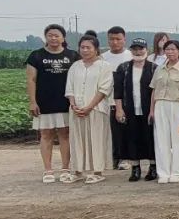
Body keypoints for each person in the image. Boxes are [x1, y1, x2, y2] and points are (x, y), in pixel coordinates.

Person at [27, 24, 81, 183]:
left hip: (66, 101)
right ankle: (48, 170)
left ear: (63, 38)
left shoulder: (72, 55)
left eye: (57, 35)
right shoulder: (36, 56)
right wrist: (32, 102)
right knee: (46, 134)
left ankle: (65, 168)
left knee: (65, 134)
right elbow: (31, 79)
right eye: (50, 35)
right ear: (46, 37)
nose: (53, 38)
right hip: (44, 101)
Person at [63, 34, 114, 184]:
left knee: (96, 139)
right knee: (77, 140)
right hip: (76, 110)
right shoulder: (75, 66)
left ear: (96, 49)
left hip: (96, 109)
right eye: (82, 47)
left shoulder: (104, 66)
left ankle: (97, 171)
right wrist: (73, 105)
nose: (85, 50)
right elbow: (69, 88)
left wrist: (89, 107)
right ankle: (77, 171)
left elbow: (104, 89)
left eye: (88, 47)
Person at [148, 40, 179, 183]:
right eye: (167, 49)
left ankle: (176, 172)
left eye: (173, 49)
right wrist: (152, 110)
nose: (170, 52)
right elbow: (154, 90)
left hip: (177, 105)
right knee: (161, 140)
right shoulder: (159, 69)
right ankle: (163, 172)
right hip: (160, 105)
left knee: (178, 139)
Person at [113, 38, 157, 181]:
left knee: (150, 137)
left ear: (146, 50)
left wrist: (154, 110)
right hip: (129, 109)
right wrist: (119, 109)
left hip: (149, 109)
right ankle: (135, 168)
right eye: (135, 49)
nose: (138, 52)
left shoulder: (154, 68)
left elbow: (157, 91)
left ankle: (153, 167)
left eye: (141, 49)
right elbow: (118, 91)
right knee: (131, 137)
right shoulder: (123, 68)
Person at [101, 26, 131, 170]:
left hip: (126, 100)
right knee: (110, 131)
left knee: (124, 130)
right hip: (106, 100)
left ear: (124, 39)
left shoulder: (130, 56)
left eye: (118, 39)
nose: (115, 42)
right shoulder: (102, 58)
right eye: (111, 39)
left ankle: (125, 158)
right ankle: (112, 157)